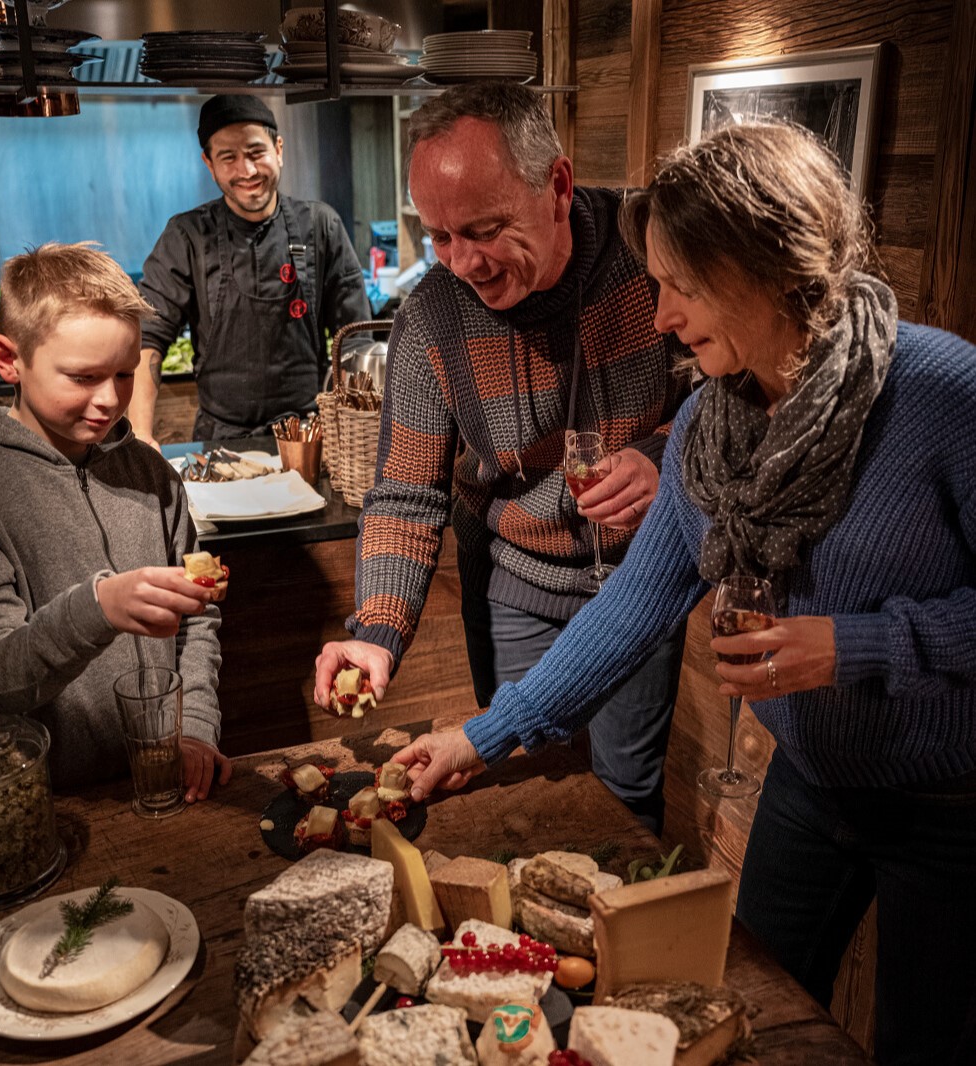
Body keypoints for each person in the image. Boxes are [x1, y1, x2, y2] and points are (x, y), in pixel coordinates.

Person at [391, 121, 976, 1064]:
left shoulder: (944, 393)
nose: (660, 315)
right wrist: (483, 734)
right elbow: (634, 602)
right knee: (739, 1017)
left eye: (682, 285)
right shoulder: (714, 414)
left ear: (770, 267)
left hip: (952, 807)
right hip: (809, 788)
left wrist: (855, 647)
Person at [313, 82, 690, 834]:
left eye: (483, 230)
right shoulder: (431, 317)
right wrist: (377, 627)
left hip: (643, 579)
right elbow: (405, 495)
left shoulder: (652, 251)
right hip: (516, 582)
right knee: (520, 784)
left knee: (625, 792)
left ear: (557, 185)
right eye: (440, 236)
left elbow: (729, 398)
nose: (462, 263)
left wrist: (661, 457)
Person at [0, 242, 231, 801]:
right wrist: (99, 609)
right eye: (82, 377)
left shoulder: (153, 474)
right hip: (52, 803)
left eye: (125, 373)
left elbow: (198, 620)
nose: (109, 400)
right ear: (8, 359)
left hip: (165, 778)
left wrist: (195, 729)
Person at [131, 94, 371, 448]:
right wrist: (139, 435)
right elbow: (147, 337)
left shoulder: (321, 226)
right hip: (221, 440)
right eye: (228, 157)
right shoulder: (187, 236)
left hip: (311, 436)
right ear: (209, 164)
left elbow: (355, 340)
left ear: (278, 149)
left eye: (256, 152)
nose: (247, 171)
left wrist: (356, 431)